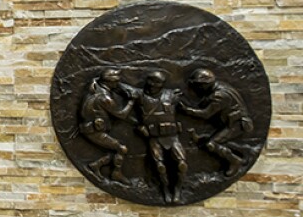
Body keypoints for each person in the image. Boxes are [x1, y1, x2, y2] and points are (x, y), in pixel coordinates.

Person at [181, 68, 252, 177]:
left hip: (236, 124)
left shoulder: (219, 95)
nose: (197, 88)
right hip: (230, 122)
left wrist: (186, 110)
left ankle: (235, 161)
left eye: (199, 85)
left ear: (205, 84)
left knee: (212, 144)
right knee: (210, 140)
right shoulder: (221, 86)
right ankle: (239, 152)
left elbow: (206, 114)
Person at [135, 70, 187, 204]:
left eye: (157, 82)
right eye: (150, 80)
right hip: (154, 137)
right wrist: (139, 126)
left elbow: (186, 110)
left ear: (162, 84)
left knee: (182, 164)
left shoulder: (172, 96)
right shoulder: (140, 96)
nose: (152, 84)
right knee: (160, 166)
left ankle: (178, 190)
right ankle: (165, 190)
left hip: (172, 136)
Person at [79, 68, 136, 184]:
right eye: (116, 81)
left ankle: (96, 165)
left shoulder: (94, 89)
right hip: (94, 131)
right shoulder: (105, 98)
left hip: (91, 127)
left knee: (116, 150)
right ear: (109, 82)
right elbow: (122, 114)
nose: (117, 83)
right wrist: (131, 101)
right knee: (121, 148)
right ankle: (116, 173)